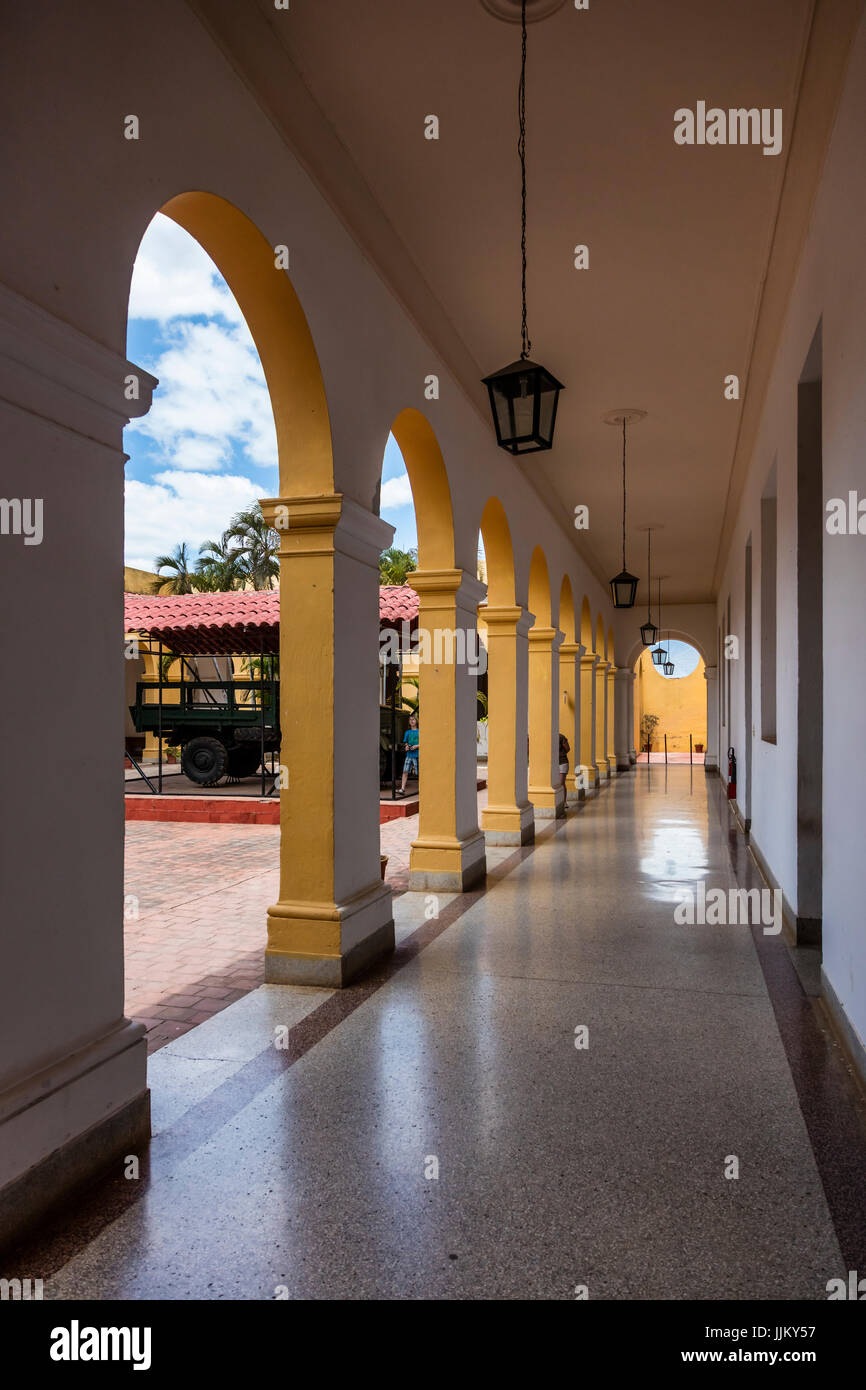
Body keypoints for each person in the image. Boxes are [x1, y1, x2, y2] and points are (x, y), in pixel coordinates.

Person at [400, 714, 419, 795]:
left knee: (419, 773)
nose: (411, 721)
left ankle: (421, 789)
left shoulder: (420, 731)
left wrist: (417, 746)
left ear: (416, 721)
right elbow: (405, 742)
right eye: (410, 719)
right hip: (409, 755)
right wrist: (407, 746)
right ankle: (402, 789)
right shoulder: (407, 732)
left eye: (413, 719)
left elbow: (425, 742)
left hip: (418, 755)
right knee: (405, 771)